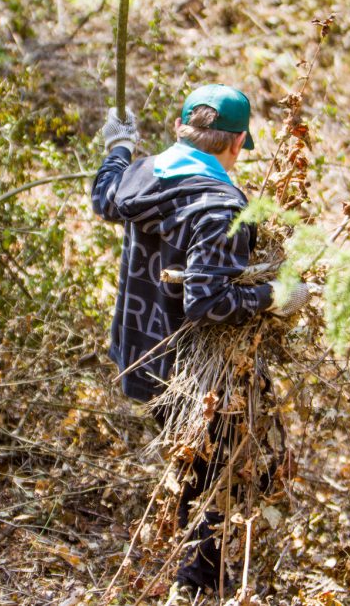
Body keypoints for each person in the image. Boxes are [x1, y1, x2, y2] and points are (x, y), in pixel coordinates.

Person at [92, 84, 309, 594]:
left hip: (138, 354)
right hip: (190, 375)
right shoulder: (222, 206)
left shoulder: (140, 175)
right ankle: (199, 584)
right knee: (225, 472)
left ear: (179, 130)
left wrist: (118, 147)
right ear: (236, 145)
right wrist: (273, 297)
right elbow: (206, 304)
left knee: (200, 463)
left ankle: (198, 573)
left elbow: (105, 197)